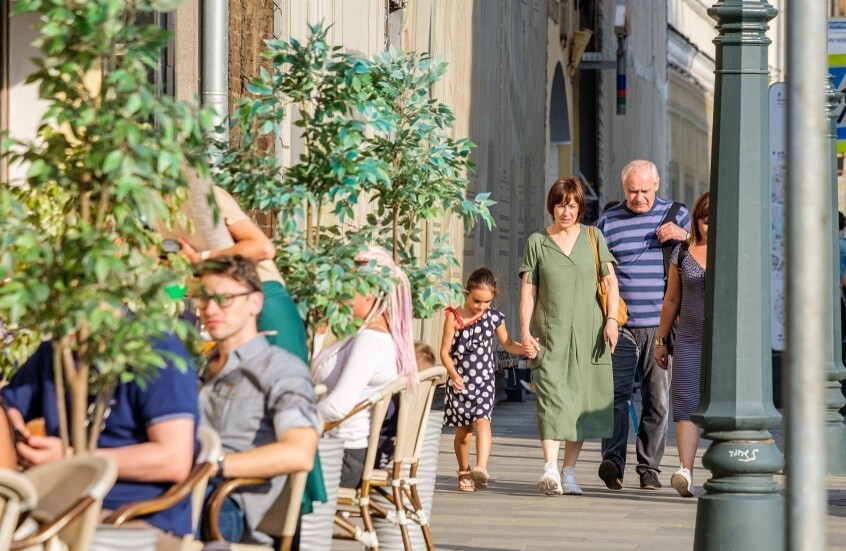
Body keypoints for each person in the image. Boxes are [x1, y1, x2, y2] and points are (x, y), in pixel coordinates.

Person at [1, 337, 198, 550]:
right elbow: (9, 405)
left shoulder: (158, 351)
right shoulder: (56, 347)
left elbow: (174, 460)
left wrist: (70, 457)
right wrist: (15, 429)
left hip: (131, 519)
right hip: (56, 508)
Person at [196, 255, 319, 545]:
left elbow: (299, 453)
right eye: (204, 299)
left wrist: (212, 463)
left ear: (255, 303)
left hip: (224, 504)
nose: (210, 308)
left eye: (225, 298)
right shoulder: (199, 366)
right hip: (186, 489)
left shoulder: (280, 370)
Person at [519, 177, 619, 496]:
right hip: (549, 334)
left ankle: (569, 471)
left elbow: (610, 281)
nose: (566, 211)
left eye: (572, 205)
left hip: (590, 334)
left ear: (580, 207)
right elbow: (528, 290)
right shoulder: (537, 241)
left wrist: (612, 320)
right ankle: (550, 467)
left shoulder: (593, 237)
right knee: (550, 399)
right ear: (552, 206)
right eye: (561, 204)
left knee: (581, 404)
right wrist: (524, 330)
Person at [595, 159, 690, 491]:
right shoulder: (607, 221)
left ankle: (649, 467)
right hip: (620, 324)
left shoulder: (677, 214)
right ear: (624, 189)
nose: (638, 198)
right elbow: (597, 270)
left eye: (644, 191)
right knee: (615, 395)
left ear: (657, 185)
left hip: (661, 326)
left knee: (657, 400)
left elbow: (703, 253)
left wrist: (685, 236)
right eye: (632, 191)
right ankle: (613, 461)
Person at [312, 246, 417, 490]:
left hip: (341, 456)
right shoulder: (364, 334)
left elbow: (338, 406)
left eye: (346, 287)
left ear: (369, 293)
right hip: (339, 450)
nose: (339, 295)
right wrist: (319, 332)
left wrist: (290, 421)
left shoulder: (370, 340)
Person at [179, 186, 307, 362]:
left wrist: (201, 258)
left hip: (263, 299)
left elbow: (263, 248)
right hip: (227, 306)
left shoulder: (202, 194)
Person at [440, 268, 524, 492]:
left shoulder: (494, 318)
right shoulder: (453, 317)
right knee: (463, 434)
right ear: (467, 292)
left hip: (485, 381)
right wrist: (453, 375)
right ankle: (464, 471)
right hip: (459, 383)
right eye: (477, 300)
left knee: (483, 421)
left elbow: (508, 344)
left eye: (487, 302)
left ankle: (480, 468)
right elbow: (444, 352)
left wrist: (524, 348)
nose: (481, 306)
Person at [654, 192, 709, 497]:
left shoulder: (732, 251)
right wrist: (661, 341)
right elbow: (672, 299)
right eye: (703, 220)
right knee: (686, 404)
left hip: (723, 344)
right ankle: (685, 471)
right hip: (689, 339)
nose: (708, 227)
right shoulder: (682, 253)